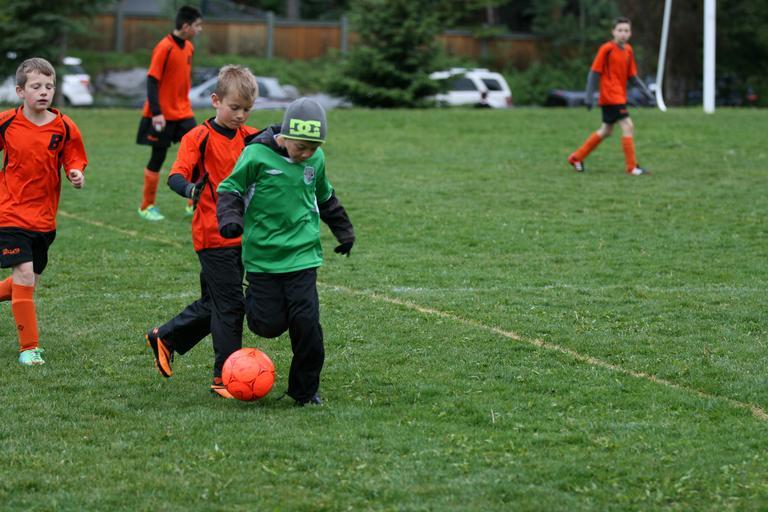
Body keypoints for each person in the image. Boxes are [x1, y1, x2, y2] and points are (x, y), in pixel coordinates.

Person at [216, 98, 355, 406]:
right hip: (263, 258)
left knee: (308, 326)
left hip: (303, 256)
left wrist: (344, 231)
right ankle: (255, 302)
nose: (306, 154)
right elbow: (230, 189)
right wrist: (230, 219)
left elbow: (325, 197)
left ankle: (304, 392)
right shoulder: (256, 155)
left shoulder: (316, 160)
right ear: (286, 136)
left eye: (313, 148)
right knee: (266, 326)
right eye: (301, 147)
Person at [145, 65, 261, 398]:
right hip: (213, 235)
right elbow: (175, 176)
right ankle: (224, 378)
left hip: (244, 236)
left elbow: (279, 145)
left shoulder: (252, 138)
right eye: (234, 107)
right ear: (215, 100)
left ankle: (166, 337)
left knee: (216, 302)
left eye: (246, 109)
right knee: (231, 305)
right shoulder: (198, 137)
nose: (240, 115)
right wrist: (191, 190)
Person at [0, 58, 88, 366]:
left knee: (26, 283)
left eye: (49, 86)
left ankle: (28, 344)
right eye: (36, 86)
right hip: (9, 214)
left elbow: (74, 157)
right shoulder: (7, 122)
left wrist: (76, 172)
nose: (44, 92)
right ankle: (29, 348)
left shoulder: (64, 126)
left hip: (44, 219)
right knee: (24, 274)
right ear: (20, 91)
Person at [135, 5, 202, 221]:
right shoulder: (165, 47)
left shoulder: (189, 47)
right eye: (197, 25)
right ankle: (146, 206)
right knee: (158, 157)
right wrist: (156, 113)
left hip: (184, 113)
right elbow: (152, 80)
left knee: (198, 152)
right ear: (186, 26)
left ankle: (194, 202)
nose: (200, 29)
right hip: (162, 115)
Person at [568, 16, 654, 176]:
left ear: (630, 33)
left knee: (606, 130)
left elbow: (633, 77)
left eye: (626, 30)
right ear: (613, 32)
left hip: (618, 96)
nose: (623, 33)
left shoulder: (628, 50)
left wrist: (647, 93)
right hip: (610, 96)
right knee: (628, 126)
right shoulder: (606, 49)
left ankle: (576, 157)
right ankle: (632, 168)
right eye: (620, 30)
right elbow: (594, 73)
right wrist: (589, 97)